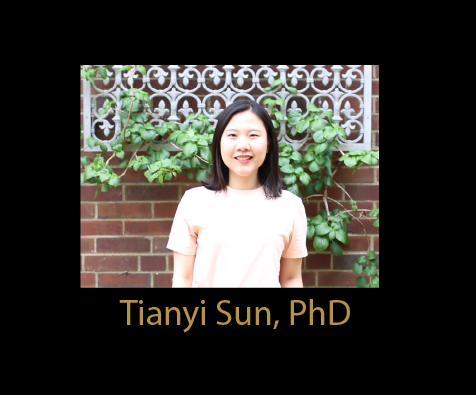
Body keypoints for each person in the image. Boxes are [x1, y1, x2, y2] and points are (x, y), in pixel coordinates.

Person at [166, 99, 308, 287]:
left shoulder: (290, 206)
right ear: (219, 143)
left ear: (268, 144)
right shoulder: (194, 201)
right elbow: (183, 278)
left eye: (253, 135)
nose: (243, 145)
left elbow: (291, 278)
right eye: (232, 135)